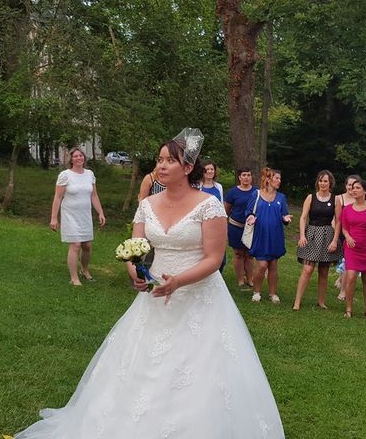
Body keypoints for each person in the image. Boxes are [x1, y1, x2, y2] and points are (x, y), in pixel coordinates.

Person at [17, 128, 285, 439]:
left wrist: (179, 282)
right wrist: (135, 273)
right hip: (155, 295)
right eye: (159, 160)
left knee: (199, 367)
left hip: (198, 297)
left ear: (187, 168)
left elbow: (213, 260)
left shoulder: (209, 205)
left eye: (169, 161)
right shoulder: (147, 205)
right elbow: (137, 246)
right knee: (140, 365)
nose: (161, 166)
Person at [49, 147, 105, 286]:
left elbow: (94, 195)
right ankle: (74, 278)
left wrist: (100, 212)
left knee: (87, 245)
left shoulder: (89, 174)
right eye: (75, 156)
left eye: (81, 156)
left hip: (84, 215)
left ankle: (84, 270)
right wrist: (54, 218)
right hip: (70, 215)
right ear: (71, 159)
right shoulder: (65, 175)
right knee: (75, 245)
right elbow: (58, 197)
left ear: (84, 158)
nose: (79, 158)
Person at [293, 170, 342, 310]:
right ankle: (297, 301)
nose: (323, 183)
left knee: (324, 271)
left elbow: (338, 222)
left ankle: (321, 301)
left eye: (325, 181)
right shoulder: (310, 197)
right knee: (308, 269)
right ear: (317, 182)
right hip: (312, 234)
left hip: (328, 235)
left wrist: (335, 240)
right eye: (320, 181)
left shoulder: (335, 200)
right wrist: (302, 235)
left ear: (330, 182)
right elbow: (303, 217)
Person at [247, 168, 292, 303]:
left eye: (279, 178)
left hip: (275, 235)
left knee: (273, 264)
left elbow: (284, 214)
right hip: (261, 235)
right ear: (268, 179)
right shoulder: (256, 194)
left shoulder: (281, 197)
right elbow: (249, 211)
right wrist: (250, 217)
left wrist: (286, 219)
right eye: (276, 178)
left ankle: (272, 294)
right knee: (261, 265)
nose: (279, 181)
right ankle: (256, 292)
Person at [339, 179, 366, 319]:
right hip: (351, 248)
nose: (354, 190)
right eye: (353, 187)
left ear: (365, 191)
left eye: (357, 188)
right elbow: (344, 227)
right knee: (350, 277)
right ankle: (348, 309)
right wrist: (347, 236)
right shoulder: (347, 209)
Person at [224, 167, 257, 288]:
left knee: (249, 254)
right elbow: (226, 209)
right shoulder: (233, 192)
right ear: (239, 177)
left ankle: (250, 279)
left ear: (251, 177)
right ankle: (240, 280)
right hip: (236, 226)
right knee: (238, 253)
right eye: (244, 175)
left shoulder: (256, 192)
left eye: (248, 175)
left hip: (251, 228)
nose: (246, 177)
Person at [200, 160, 226, 271]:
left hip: (217, 224)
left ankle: (218, 275)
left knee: (221, 256)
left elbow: (221, 206)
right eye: (207, 169)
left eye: (212, 169)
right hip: (202, 224)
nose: (210, 171)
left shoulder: (218, 187)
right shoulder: (197, 186)